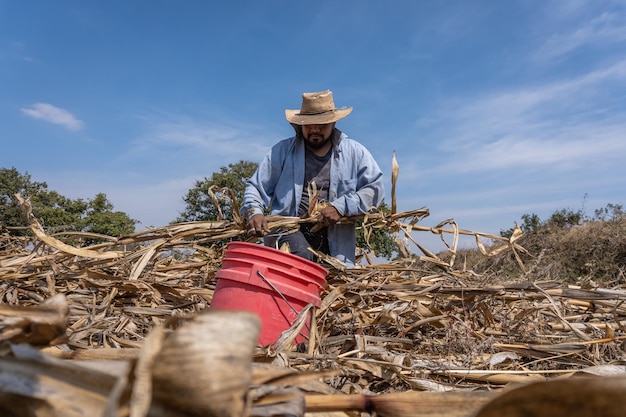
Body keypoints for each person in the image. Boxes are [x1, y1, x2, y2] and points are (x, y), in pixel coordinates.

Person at [240, 90, 384, 266]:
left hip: (336, 241)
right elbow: (256, 186)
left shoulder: (354, 152)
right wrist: (254, 211)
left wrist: (341, 207)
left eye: (321, 125)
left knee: (329, 280)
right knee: (300, 258)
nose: (315, 129)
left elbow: (375, 189)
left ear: (333, 122)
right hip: (288, 230)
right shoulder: (283, 152)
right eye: (308, 125)